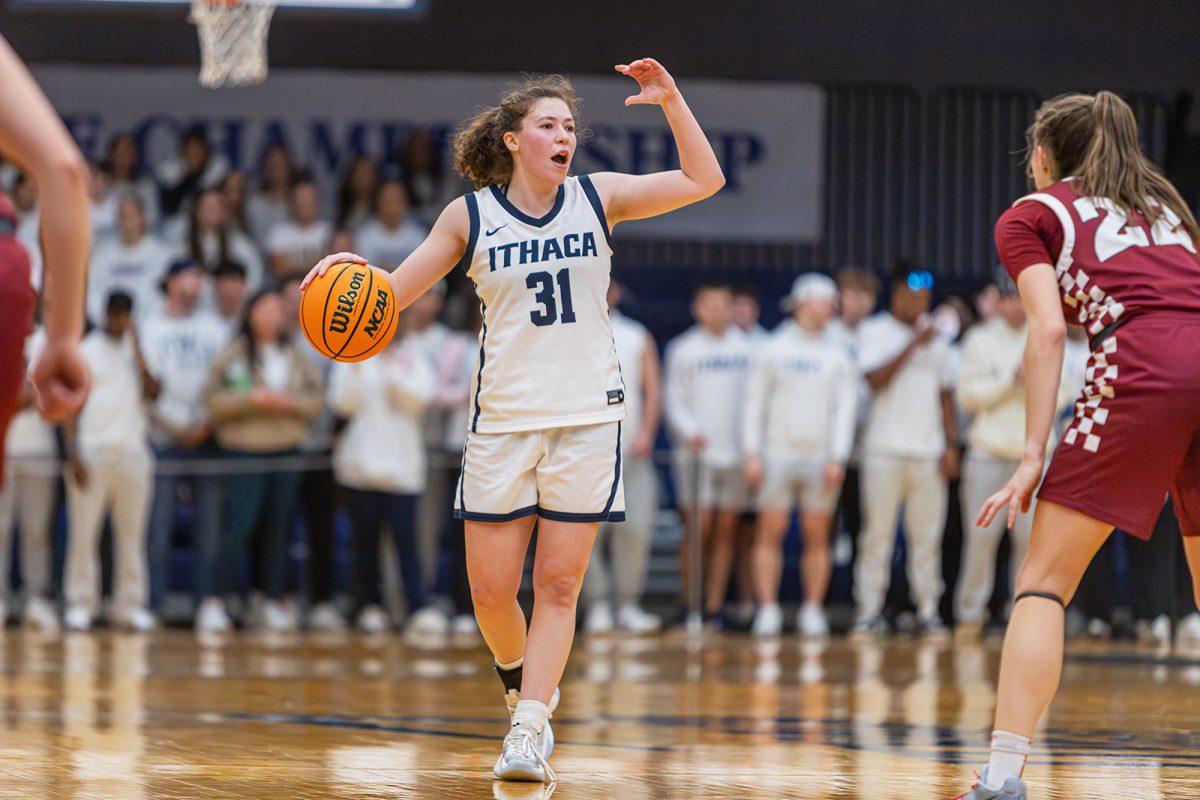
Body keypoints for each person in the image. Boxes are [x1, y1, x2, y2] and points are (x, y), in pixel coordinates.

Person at [302, 59, 724, 782]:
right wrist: (344, 273)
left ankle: (530, 728)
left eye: (570, 127)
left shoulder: (600, 198)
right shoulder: (469, 216)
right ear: (512, 140)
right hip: (502, 421)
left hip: (588, 417)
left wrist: (674, 102)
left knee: (559, 586)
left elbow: (702, 180)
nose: (565, 136)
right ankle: (518, 682)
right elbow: (389, 297)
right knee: (494, 596)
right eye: (549, 125)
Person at [956, 92, 1200, 800]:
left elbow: (1047, 332)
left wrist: (1032, 454)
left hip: (1145, 368)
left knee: (1042, 585)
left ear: (1042, 153)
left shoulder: (1034, 213)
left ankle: (1002, 776)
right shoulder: (1169, 209)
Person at [200, 286, 323, 632]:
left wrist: (288, 404)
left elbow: (315, 401)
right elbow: (213, 402)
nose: (270, 316)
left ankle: (269, 598)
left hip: (287, 450)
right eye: (263, 309)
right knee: (239, 526)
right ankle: (215, 600)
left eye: (276, 310)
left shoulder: (296, 352)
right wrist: (252, 400)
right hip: (244, 452)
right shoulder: (234, 353)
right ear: (250, 313)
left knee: (278, 530)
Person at [742, 273, 856, 637]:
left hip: (820, 459)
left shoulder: (838, 353)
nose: (831, 309)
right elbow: (754, 403)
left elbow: (845, 410)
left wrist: (837, 456)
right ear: (805, 301)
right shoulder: (773, 348)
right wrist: (752, 453)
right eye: (826, 301)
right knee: (769, 532)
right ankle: (768, 609)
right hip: (776, 455)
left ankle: (812, 609)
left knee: (817, 534)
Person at [853, 262, 958, 638]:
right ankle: (868, 610)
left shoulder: (940, 339)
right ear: (896, 295)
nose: (919, 302)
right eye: (913, 295)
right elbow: (874, 379)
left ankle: (928, 608)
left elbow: (946, 395)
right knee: (876, 536)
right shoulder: (874, 331)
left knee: (926, 538)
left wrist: (950, 445)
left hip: (927, 453)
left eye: (925, 297)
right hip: (883, 451)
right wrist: (915, 343)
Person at [328, 314, 446, 635]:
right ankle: (369, 606)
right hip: (359, 469)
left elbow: (418, 400)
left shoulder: (412, 355)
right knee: (364, 544)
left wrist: (392, 367)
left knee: (407, 543)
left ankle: (417, 607)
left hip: (403, 471)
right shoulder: (350, 355)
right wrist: (357, 365)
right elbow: (341, 403)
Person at [140, 258, 230, 622]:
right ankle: (152, 604)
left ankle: (208, 603)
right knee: (157, 528)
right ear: (171, 280)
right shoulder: (150, 326)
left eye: (201, 277)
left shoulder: (215, 326)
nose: (199, 282)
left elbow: (228, 377)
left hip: (208, 438)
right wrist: (181, 426)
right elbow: (147, 387)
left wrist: (206, 422)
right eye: (192, 275)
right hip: (163, 437)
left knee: (209, 529)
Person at [62, 292, 158, 632]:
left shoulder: (139, 350)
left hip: (133, 451)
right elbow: (69, 404)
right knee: (83, 532)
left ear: (131, 317)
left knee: (132, 534)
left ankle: (129, 604)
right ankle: (80, 602)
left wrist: (140, 354)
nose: (119, 321)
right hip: (92, 450)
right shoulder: (85, 350)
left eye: (125, 315)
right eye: (115, 314)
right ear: (105, 314)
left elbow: (154, 392)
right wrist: (72, 451)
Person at [663, 282, 752, 625]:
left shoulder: (748, 349)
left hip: (736, 455)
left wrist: (750, 446)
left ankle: (714, 606)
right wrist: (690, 432)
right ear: (697, 308)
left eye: (723, 304)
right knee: (697, 530)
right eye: (710, 304)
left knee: (727, 530)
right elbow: (674, 399)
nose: (717, 310)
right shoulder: (683, 349)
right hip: (695, 455)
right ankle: (691, 604)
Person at [583, 280, 663, 634]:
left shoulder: (636, 334)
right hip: (584, 451)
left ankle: (627, 603)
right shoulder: (570, 329)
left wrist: (647, 431)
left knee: (636, 527)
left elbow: (653, 388)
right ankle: (597, 604)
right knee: (584, 532)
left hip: (630, 449)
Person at [0, 326, 58, 631]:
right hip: (3, 448)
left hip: (39, 450)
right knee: (1, 527)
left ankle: (36, 597)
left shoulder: (50, 342)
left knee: (37, 529)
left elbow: (52, 396)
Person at [87, 193, 173, 325]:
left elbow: (164, 296)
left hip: (151, 325)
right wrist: (108, 321)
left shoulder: (163, 256)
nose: (126, 220)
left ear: (142, 217)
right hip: (109, 326)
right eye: (122, 215)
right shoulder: (101, 255)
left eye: (130, 215)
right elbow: (92, 293)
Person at [267, 176, 332, 280]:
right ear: (292, 203)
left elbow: (334, 268)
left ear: (317, 203)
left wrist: (293, 267)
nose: (306, 203)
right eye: (301, 198)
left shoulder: (329, 231)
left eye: (310, 198)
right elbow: (279, 269)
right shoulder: (279, 232)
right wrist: (317, 267)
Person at [355, 179, 428, 269]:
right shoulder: (365, 236)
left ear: (406, 204)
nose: (391, 207)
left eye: (396, 201)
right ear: (378, 203)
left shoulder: (417, 236)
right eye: (387, 201)